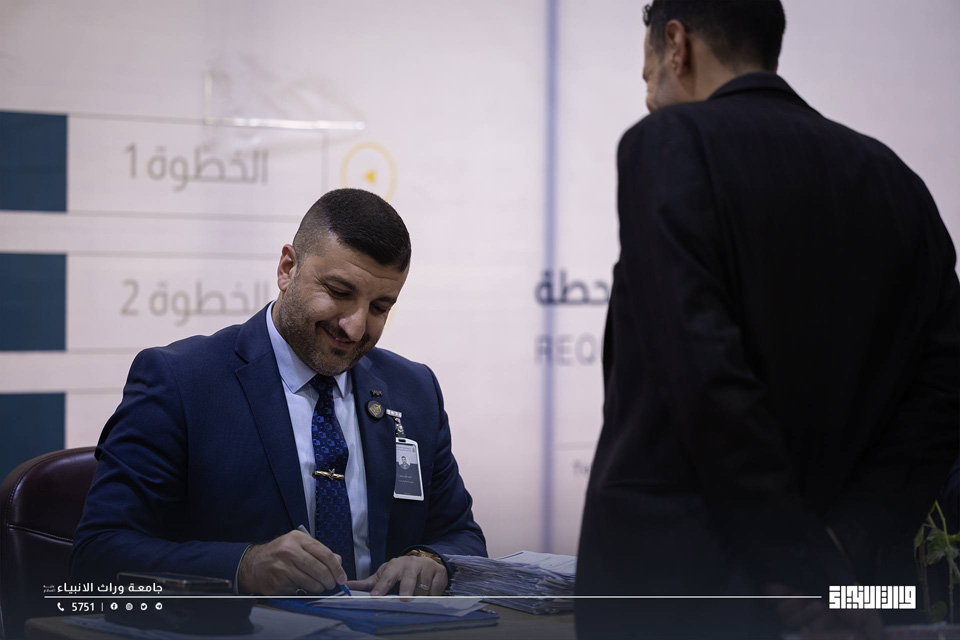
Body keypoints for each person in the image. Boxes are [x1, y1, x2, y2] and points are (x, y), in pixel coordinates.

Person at [575, 1, 959, 638]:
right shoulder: (899, 183)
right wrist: (845, 544)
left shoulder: (670, 143)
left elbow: (703, 373)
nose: (647, 95)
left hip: (682, 595)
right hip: (850, 596)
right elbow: (942, 396)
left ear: (677, 44)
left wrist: (795, 560)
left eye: (648, 72)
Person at [71, 188, 486, 597]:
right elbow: (98, 554)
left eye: (380, 307)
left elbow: (460, 535)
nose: (356, 327)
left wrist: (431, 560)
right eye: (339, 293)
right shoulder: (181, 381)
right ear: (287, 268)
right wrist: (243, 568)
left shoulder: (415, 391)